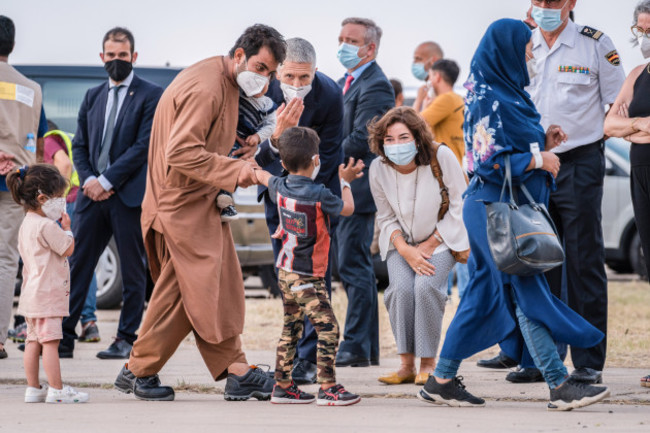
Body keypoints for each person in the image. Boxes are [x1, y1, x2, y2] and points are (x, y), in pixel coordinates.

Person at [417, 18, 611, 412]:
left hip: (502, 208)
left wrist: (543, 140)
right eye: (525, 51)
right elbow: (485, 160)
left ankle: (441, 379)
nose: (530, 58)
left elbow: (504, 141)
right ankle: (559, 384)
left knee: (486, 293)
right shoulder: (488, 96)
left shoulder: (507, 93)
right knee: (528, 293)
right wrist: (540, 158)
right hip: (494, 210)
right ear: (506, 52)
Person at [113, 24, 291, 402]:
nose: (265, 78)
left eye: (270, 73)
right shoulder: (207, 87)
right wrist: (244, 172)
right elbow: (180, 153)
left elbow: (208, 142)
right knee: (187, 293)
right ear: (239, 55)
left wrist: (245, 148)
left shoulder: (223, 80)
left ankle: (237, 370)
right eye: (261, 68)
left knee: (216, 287)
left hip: (196, 202)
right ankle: (137, 369)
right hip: (179, 206)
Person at [526, 0, 626, 385]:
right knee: (538, 261)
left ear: (571, 3)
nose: (545, 8)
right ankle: (543, 357)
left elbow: (616, 106)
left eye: (553, 1)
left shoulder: (595, 44)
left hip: (580, 161)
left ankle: (588, 361)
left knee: (583, 261)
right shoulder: (525, 42)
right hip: (534, 162)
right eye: (538, 1)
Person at [60, 27, 163, 360]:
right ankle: (63, 336)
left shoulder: (151, 95)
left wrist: (107, 181)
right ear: (101, 57)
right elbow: (80, 145)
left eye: (123, 55)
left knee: (133, 270)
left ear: (134, 57)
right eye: (111, 55)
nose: (116, 61)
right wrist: (90, 179)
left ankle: (125, 338)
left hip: (127, 195)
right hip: (91, 196)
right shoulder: (93, 96)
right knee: (78, 266)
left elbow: (143, 147)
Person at [253, 37, 344, 385]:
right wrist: (277, 140)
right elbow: (251, 154)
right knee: (288, 277)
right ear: (278, 72)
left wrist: (305, 191)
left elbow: (331, 156)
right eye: (289, 76)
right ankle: (288, 358)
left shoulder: (331, 96)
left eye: (304, 78)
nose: (296, 85)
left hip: (317, 199)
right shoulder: (263, 93)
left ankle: (310, 355)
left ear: (315, 72)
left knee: (316, 278)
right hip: (278, 197)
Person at [255, 126, 362, 406]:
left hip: (285, 272)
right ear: (317, 160)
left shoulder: (279, 185)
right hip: (308, 277)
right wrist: (345, 181)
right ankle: (327, 387)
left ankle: (282, 386)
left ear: (283, 163)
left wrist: (250, 162)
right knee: (328, 329)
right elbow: (348, 208)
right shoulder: (320, 194)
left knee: (291, 329)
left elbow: (260, 175)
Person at [368, 107, 469, 386]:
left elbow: (461, 203)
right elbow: (385, 215)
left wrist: (432, 242)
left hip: (442, 240)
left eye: (403, 137)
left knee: (425, 289)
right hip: (401, 244)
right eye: (389, 139)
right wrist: (404, 249)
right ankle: (406, 365)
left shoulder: (440, 155)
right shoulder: (378, 168)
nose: (396, 145)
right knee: (400, 290)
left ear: (417, 138)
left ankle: (428, 363)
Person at [334, 17, 394, 368]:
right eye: (341, 38)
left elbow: (361, 140)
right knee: (351, 267)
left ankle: (355, 345)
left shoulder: (376, 85)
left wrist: (317, 152)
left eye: (351, 40)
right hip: (342, 185)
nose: (342, 45)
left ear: (369, 48)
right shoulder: (347, 80)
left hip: (357, 188)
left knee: (353, 267)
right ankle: (364, 349)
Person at [6, 164, 89, 403]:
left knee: (33, 342)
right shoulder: (45, 226)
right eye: (59, 198)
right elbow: (68, 248)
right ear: (42, 198)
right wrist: (67, 229)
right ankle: (57, 389)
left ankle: (33, 388)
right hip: (48, 295)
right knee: (51, 343)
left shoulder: (27, 224)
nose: (62, 202)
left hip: (31, 295)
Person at [603, 0, 650, 389]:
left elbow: (621, 125)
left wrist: (628, 126)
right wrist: (640, 124)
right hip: (641, 173)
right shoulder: (636, 73)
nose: (645, 37)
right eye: (641, 31)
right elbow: (608, 124)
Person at [0, 15, 43, 360]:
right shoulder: (32, 89)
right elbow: (39, 145)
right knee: (6, 261)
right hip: (17, 181)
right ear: (12, 46)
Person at [44, 124, 100, 343]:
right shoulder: (67, 136)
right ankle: (89, 322)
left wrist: (57, 202)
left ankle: (67, 321)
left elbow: (64, 165)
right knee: (83, 260)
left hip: (70, 204)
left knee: (67, 261)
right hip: (83, 201)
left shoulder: (48, 139)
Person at [216, 81, 277, 220]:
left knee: (233, 166)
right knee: (223, 164)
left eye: (264, 83)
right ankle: (225, 201)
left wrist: (258, 136)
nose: (259, 86)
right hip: (225, 136)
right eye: (256, 82)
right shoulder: (238, 94)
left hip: (244, 142)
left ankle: (226, 202)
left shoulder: (268, 105)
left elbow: (271, 126)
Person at [412, 42, 444, 112]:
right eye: (414, 59)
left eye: (419, 59)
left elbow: (415, 121)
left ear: (434, 60)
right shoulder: (425, 91)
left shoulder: (439, 95)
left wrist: (418, 101)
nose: (414, 62)